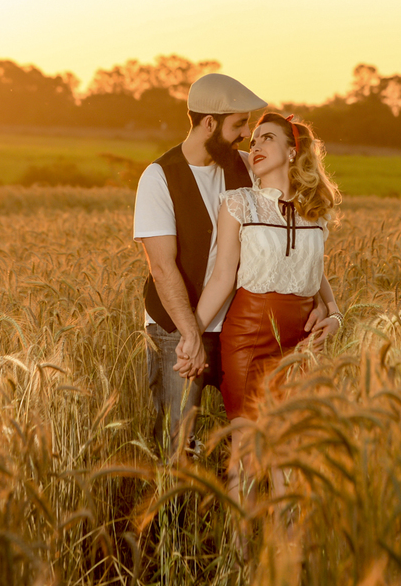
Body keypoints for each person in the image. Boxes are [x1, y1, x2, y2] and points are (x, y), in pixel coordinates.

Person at [135, 74, 334, 458]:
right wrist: (190, 335)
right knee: (177, 444)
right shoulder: (159, 178)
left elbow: (295, 234)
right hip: (176, 328)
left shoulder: (247, 166)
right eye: (239, 124)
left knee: (253, 437)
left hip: (240, 328)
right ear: (209, 123)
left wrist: (322, 302)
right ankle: (174, 518)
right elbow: (162, 268)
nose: (248, 134)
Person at [187, 111, 342, 507]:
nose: (255, 147)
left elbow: (314, 272)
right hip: (250, 337)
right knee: (248, 445)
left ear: (293, 152)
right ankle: (238, 557)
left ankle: (285, 553)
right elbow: (223, 277)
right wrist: (192, 334)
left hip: (300, 343)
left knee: (288, 448)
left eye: (267, 139)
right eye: (253, 140)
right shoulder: (240, 204)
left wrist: (335, 313)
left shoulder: (316, 212)